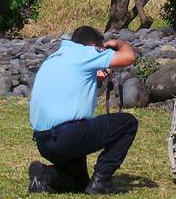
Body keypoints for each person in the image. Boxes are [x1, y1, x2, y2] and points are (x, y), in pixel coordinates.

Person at [28, 26, 138, 194]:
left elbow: (71, 87)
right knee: (128, 123)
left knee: (78, 183)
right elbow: (129, 57)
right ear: (93, 45)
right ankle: (102, 180)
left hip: (45, 141)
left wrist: (96, 78)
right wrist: (118, 43)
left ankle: (44, 175)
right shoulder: (85, 53)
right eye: (100, 48)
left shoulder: (54, 58)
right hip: (67, 135)